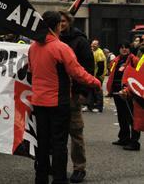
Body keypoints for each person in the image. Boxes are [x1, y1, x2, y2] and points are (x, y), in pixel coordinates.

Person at [28, 11, 101, 184]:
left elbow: (31, 73)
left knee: (43, 142)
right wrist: (95, 82)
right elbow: (77, 72)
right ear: (57, 26)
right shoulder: (61, 47)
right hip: (58, 102)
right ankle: (59, 179)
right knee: (59, 142)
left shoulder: (33, 47)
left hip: (39, 102)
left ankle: (41, 178)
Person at [59, 11, 94, 183]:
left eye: (64, 21)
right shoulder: (52, 39)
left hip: (73, 94)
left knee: (76, 132)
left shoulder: (80, 41)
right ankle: (57, 167)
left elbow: (88, 67)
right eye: (59, 21)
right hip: (54, 94)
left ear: (69, 22)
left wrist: (83, 92)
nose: (61, 24)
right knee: (56, 134)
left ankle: (79, 168)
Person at [106, 42, 140, 151]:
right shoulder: (116, 60)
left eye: (126, 47)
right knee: (121, 116)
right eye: (122, 47)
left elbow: (137, 76)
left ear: (129, 49)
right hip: (117, 92)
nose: (124, 49)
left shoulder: (134, 60)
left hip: (128, 93)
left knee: (131, 117)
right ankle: (124, 138)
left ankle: (134, 142)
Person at [84, 39, 106, 113]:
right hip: (93, 75)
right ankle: (89, 105)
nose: (93, 45)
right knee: (90, 90)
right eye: (92, 44)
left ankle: (99, 107)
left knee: (97, 91)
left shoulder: (99, 52)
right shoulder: (93, 51)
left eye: (95, 44)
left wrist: (98, 76)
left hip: (98, 75)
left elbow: (101, 66)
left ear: (98, 45)